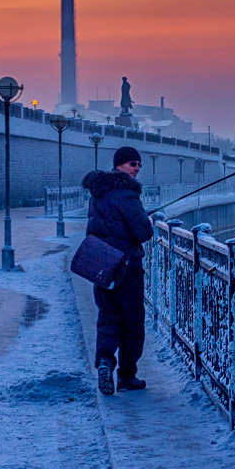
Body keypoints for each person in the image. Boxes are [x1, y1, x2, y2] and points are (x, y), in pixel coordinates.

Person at [81, 145, 154, 395]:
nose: (136, 169)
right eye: (132, 163)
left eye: (139, 165)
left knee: (109, 318)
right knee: (133, 322)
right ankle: (126, 376)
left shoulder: (98, 193)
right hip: (127, 268)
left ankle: (104, 361)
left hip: (102, 267)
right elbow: (144, 232)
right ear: (120, 165)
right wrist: (147, 219)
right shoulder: (127, 193)